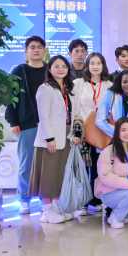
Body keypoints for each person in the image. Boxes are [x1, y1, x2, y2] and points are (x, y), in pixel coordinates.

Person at [29, 56, 82, 223]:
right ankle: (47, 210)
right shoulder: (45, 88)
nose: (60, 69)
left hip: (66, 136)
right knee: (48, 174)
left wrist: (76, 133)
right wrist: (49, 139)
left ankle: (57, 207)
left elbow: (74, 114)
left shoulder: (68, 89)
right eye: (56, 66)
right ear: (50, 69)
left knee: (60, 174)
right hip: (50, 138)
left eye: (64, 66)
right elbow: (43, 116)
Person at [6, 36, 47, 215]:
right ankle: (24, 199)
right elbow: (10, 96)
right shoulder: (19, 71)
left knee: (46, 164)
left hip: (48, 124)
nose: (36, 50)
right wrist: (13, 120)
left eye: (39, 47)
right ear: (26, 51)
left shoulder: (50, 70)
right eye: (32, 47)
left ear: (45, 50)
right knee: (26, 163)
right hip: (26, 123)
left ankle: (45, 199)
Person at [71, 52, 113, 215]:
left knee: (98, 165)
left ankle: (95, 199)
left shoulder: (110, 85)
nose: (95, 66)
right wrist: (76, 129)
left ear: (103, 65)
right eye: (92, 63)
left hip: (102, 130)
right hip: (82, 130)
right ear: (87, 66)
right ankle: (81, 201)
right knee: (81, 167)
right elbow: (75, 107)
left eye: (98, 63)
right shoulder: (78, 83)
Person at [95, 118, 128, 229]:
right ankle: (116, 217)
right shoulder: (108, 151)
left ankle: (122, 213)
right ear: (117, 132)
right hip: (110, 193)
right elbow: (105, 175)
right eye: (123, 130)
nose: (127, 133)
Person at [95, 70, 128, 143]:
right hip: (110, 140)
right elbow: (99, 120)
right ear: (120, 82)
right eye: (124, 82)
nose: (127, 84)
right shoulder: (109, 95)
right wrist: (119, 134)